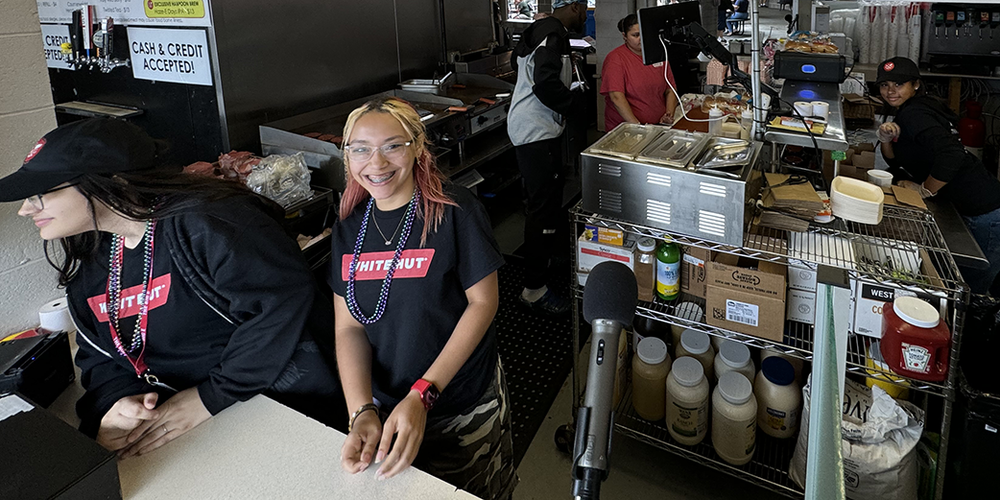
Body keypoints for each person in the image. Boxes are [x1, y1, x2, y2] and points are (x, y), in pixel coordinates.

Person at [2, 118, 343, 456]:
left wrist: (209, 397)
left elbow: (279, 310)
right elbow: (101, 353)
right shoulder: (92, 258)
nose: (25, 209)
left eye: (39, 194)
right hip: (187, 430)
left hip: (280, 410)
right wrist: (115, 405)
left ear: (110, 183)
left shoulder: (211, 224)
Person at [330, 97, 517, 499]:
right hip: (385, 412)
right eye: (360, 149)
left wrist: (423, 394)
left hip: (458, 406)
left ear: (417, 146)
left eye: (392, 145)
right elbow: (348, 327)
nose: (375, 163)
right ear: (347, 156)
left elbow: (483, 303)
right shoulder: (348, 230)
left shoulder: (454, 212)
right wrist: (361, 410)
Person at [875, 57, 1000, 294]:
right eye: (885, 85)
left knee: (974, 292)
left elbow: (953, 154)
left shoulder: (915, 115)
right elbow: (895, 160)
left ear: (916, 85)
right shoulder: (911, 111)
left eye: (899, 84)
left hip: (987, 213)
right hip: (968, 206)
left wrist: (924, 190)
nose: (890, 91)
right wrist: (886, 139)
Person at [507, 0, 589, 315]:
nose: (584, 14)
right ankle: (533, 290)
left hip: (533, 126)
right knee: (541, 206)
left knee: (549, 199)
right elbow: (545, 82)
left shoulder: (538, 29)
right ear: (572, 7)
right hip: (535, 131)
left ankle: (547, 253)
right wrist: (572, 104)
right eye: (582, 8)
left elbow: (520, 64)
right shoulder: (553, 34)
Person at [600, 14, 679, 132]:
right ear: (624, 36)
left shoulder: (658, 54)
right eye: (635, 35)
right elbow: (616, 97)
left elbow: (670, 88)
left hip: (658, 127)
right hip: (626, 130)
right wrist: (637, 126)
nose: (641, 39)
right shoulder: (615, 59)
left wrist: (669, 114)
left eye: (644, 34)